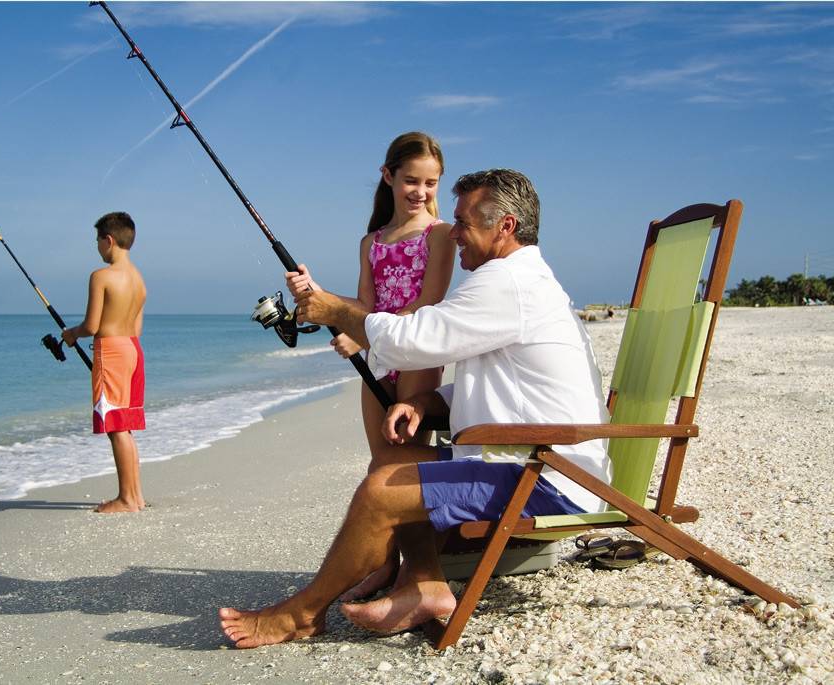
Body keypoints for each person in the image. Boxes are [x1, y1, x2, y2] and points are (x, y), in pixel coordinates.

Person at [219, 169, 612, 648]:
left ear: (505, 226)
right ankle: (424, 583)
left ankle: (301, 614)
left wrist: (335, 311)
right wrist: (427, 403)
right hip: (530, 458)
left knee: (381, 494)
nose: (454, 232)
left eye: (464, 222)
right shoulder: (519, 280)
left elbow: (412, 341)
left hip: (547, 477)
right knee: (390, 461)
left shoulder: (508, 282)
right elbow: (506, 387)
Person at [288, 132, 455, 459]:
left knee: (408, 457)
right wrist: (316, 291)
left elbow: (427, 303)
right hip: (378, 357)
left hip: (416, 354)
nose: (421, 192)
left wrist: (365, 338)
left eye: (430, 183)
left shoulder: (440, 234)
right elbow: (365, 305)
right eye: (411, 181)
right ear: (388, 176)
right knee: (381, 459)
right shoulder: (371, 242)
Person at [62, 211, 148, 513]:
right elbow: (137, 328)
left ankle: (126, 499)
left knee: (115, 426)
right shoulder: (139, 280)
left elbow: (92, 325)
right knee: (125, 424)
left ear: (108, 240)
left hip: (111, 352)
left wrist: (72, 334)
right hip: (133, 350)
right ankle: (135, 496)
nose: (96, 246)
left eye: (97, 240)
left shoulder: (101, 277)